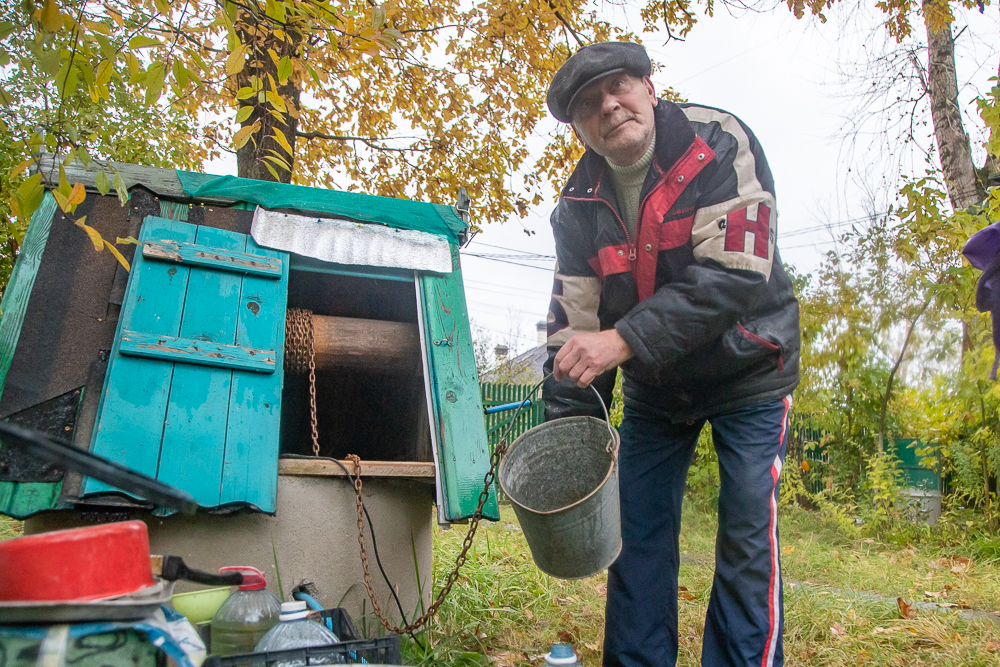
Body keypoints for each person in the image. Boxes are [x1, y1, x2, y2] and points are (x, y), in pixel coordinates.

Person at [541, 42, 801, 667]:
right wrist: (569, 445)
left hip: (748, 369)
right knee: (635, 533)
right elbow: (574, 329)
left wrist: (622, 340)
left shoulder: (721, 143)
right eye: (588, 104)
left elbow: (735, 275)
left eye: (619, 87)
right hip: (658, 389)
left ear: (650, 89)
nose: (609, 106)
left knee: (746, 528)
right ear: (579, 130)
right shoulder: (577, 208)